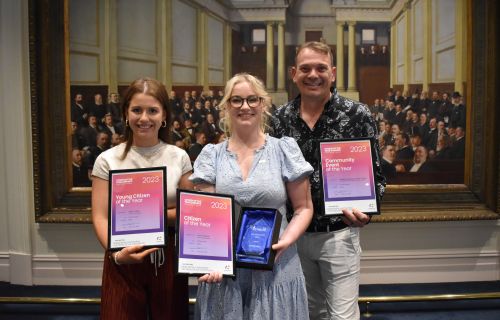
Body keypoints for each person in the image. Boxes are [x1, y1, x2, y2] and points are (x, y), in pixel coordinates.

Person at [270, 41, 386, 320]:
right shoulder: (279, 120)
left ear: (332, 73)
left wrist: (366, 212)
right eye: (305, 68)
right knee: (310, 314)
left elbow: (377, 176)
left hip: (340, 233)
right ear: (293, 73)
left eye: (321, 68)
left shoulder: (357, 114)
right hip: (294, 236)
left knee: (343, 316)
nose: (313, 75)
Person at [191, 73, 314, 320]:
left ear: (264, 104)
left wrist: (286, 241)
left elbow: (304, 208)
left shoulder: (284, 149)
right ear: (226, 106)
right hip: (226, 273)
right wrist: (210, 261)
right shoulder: (210, 156)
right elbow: (207, 220)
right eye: (236, 100)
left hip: (277, 265)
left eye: (252, 99)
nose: (245, 106)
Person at [91, 77, 193, 319]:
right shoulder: (107, 160)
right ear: (126, 114)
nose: (144, 118)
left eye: (152, 110)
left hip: (167, 260)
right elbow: (100, 215)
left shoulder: (180, 157)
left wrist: (148, 215)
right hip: (122, 259)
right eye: (137, 110)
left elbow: (189, 213)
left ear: (164, 115)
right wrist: (116, 254)